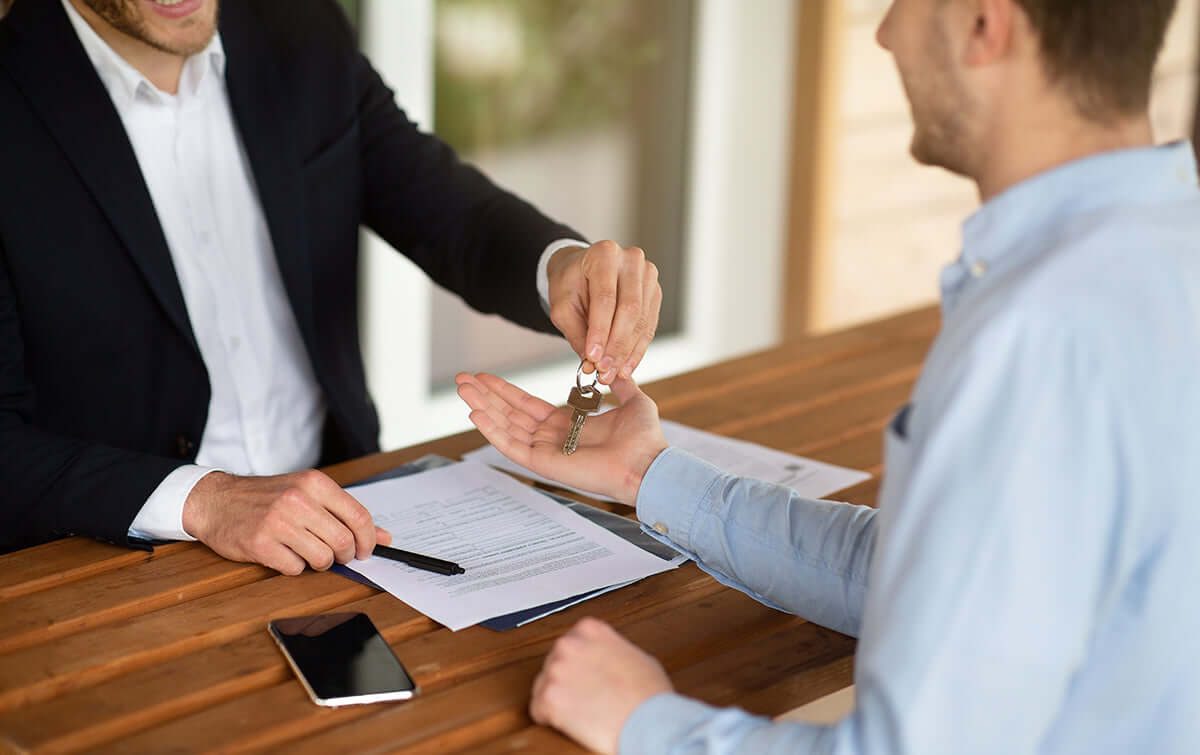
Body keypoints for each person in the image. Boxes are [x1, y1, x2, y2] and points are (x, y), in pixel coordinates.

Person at [456, 0, 1200, 751]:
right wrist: (649, 473)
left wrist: (646, 720)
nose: (883, 33)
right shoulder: (1165, 250)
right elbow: (926, 578)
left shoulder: (1040, 336)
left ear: (985, 23)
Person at [0, 0, 662, 575]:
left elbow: (449, 211)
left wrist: (562, 267)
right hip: (114, 563)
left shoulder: (298, 26)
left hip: (351, 526)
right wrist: (200, 500)